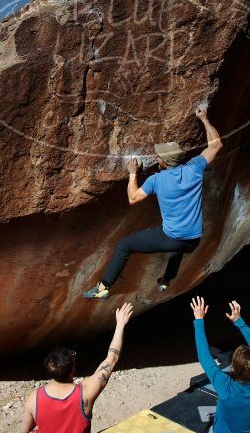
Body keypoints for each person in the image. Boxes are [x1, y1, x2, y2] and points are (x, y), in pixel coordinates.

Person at [83, 107, 223, 299]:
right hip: (193, 240)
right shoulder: (194, 168)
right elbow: (215, 145)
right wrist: (204, 119)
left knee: (125, 245)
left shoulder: (156, 180)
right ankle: (166, 281)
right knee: (179, 248)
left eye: (159, 156)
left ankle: (103, 288)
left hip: (173, 238)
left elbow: (133, 198)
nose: (156, 157)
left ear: (164, 163)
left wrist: (132, 173)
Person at [19, 303, 133, 433]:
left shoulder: (34, 398)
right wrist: (120, 324)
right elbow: (112, 358)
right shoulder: (86, 393)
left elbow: (26, 429)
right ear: (72, 370)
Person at [190, 296, 250, 433]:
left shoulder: (227, 387)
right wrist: (239, 322)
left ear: (234, 368)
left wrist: (199, 320)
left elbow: (204, 356)